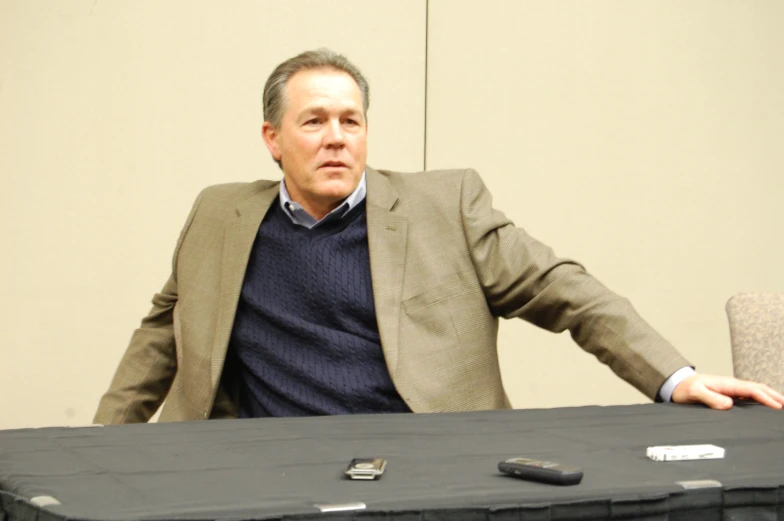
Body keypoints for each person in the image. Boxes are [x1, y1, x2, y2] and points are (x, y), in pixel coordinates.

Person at [94, 49, 784, 424]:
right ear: (272, 139)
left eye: (351, 120)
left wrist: (677, 378)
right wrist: (106, 447)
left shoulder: (444, 204)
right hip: (262, 464)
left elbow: (564, 290)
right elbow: (163, 331)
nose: (336, 137)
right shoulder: (219, 213)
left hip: (422, 456)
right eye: (314, 122)